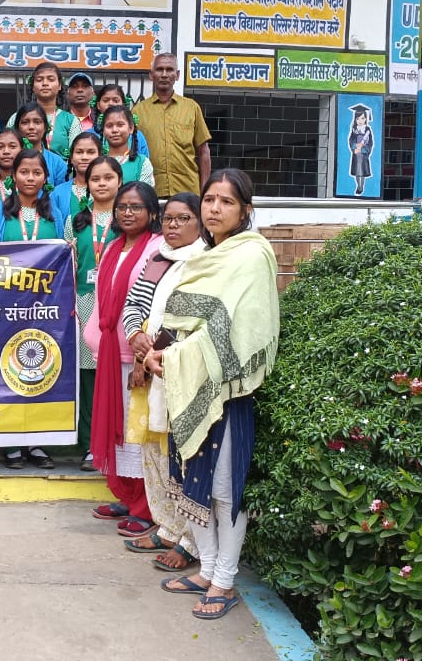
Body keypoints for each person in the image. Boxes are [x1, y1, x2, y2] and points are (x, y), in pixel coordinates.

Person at [148, 168, 279, 620]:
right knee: (190, 482)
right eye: (209, 200)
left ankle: (224, 579)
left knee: (223, 492)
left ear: (245, 210)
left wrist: (178, 356)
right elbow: (181, 320)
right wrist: (161, 354)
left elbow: (243, 328)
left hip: (226, 390)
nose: (215, 209)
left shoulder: (252, 255)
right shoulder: (202, 254)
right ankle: (206, 569)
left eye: (226, 201)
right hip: (185, 385)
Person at [118, 192, 208, 572]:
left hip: (180, 372)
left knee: (181, 457)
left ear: (199, 223)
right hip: (148, 370)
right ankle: (168, 527)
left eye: (182, 218)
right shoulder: (157, 259)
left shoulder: (205, 261)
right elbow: (133, 305)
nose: (172, 225)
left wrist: (157, 351)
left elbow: (195, 320)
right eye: (168, 218)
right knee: (154, 454)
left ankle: (191, 540)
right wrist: (136, 336)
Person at [85, 181, 164, 538]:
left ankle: (146, 506)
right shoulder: (113, 247)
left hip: (138, 356)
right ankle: (126, 495)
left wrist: (142, 357)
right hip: (110, 354)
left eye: (136, 207)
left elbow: (152, 303)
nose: (128, 213)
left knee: (138, 432)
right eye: (122, 207)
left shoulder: (157, 249)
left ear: (152, 212)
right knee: (117, 428)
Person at [0, 148, 64, 470]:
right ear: (13, 176)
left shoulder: (55, 214)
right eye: (24, 172)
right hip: (5, 306)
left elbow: (64, 256)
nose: (30, 178)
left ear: (45, 178)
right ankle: (10, 442)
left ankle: (36, 440)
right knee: (7, 370)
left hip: (44, 308)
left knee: (40, 369)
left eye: (36, 172)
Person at [64, 156, 122, 472]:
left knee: (113, 377)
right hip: (84, 305)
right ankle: (90, 446)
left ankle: (116, 445)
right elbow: (66, 266)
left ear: (119, 182)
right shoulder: (75, 221)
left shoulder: (126, 220)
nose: (101, 184)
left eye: (108, 178)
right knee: (88, 381)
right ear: (87, 184)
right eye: (95, 179)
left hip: (117, 307)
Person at [132, 53, 212, 197]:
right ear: (151, 75)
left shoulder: (191, 108)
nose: (164, 74)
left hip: (188, 190)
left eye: (169, 69)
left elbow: (203, 151)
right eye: (159, 69)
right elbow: (132, 151)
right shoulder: (138, 111)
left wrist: (205, 192)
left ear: (177, 75)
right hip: (151, 192)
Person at [5, 62, 80, 159]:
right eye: (39, 80)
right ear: (33, 86)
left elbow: (77, 156)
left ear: (59, 86)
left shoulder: (71, 121)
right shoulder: (16, 117)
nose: (45, 83)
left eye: (51, 79)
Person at [11, 102, 69, 185]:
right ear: (17, 128)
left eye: (37, 122)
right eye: (25, 122)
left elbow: (62, 192)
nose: (31, 127)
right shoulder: (9, 159)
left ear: (45, 127)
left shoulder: (57, 163)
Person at [49, 132, 102, 224]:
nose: (84, 157)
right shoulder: (57, 193)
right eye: (79, 152)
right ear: (71, 158)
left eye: (91, 152)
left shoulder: (109, 191)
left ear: (100, 156)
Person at [99, 105, 155, 186]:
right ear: (103, 130)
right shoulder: (96, 162)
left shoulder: (142, 163)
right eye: (109, 126)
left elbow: (145, 192)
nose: (114, 130)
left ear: (131, 128)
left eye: (120, 125)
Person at [91, 85, 150, 158]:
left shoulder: (138, 136)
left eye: (116, 100)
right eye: (106, 100)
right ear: (98, 105)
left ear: (123, 104)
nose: (111, 104)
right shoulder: (89, 134)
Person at [0, 128, 23, 203]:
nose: (6, 151)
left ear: (22, 151)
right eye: (0, 147)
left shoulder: (31, 183)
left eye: (12, 146)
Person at [347, 103, 375, 196]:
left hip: (363, 154)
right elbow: (351, 140)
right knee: (357, 171)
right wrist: (355, 147)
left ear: (366, 119)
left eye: (362, 118)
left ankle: (361, 187)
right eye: (358, 118)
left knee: (361, 171)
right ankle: (358, 186)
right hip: (356, 153)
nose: (360, 121)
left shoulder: (367, 130)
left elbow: (370, 143)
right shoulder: (354, 129)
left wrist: (363, 149)